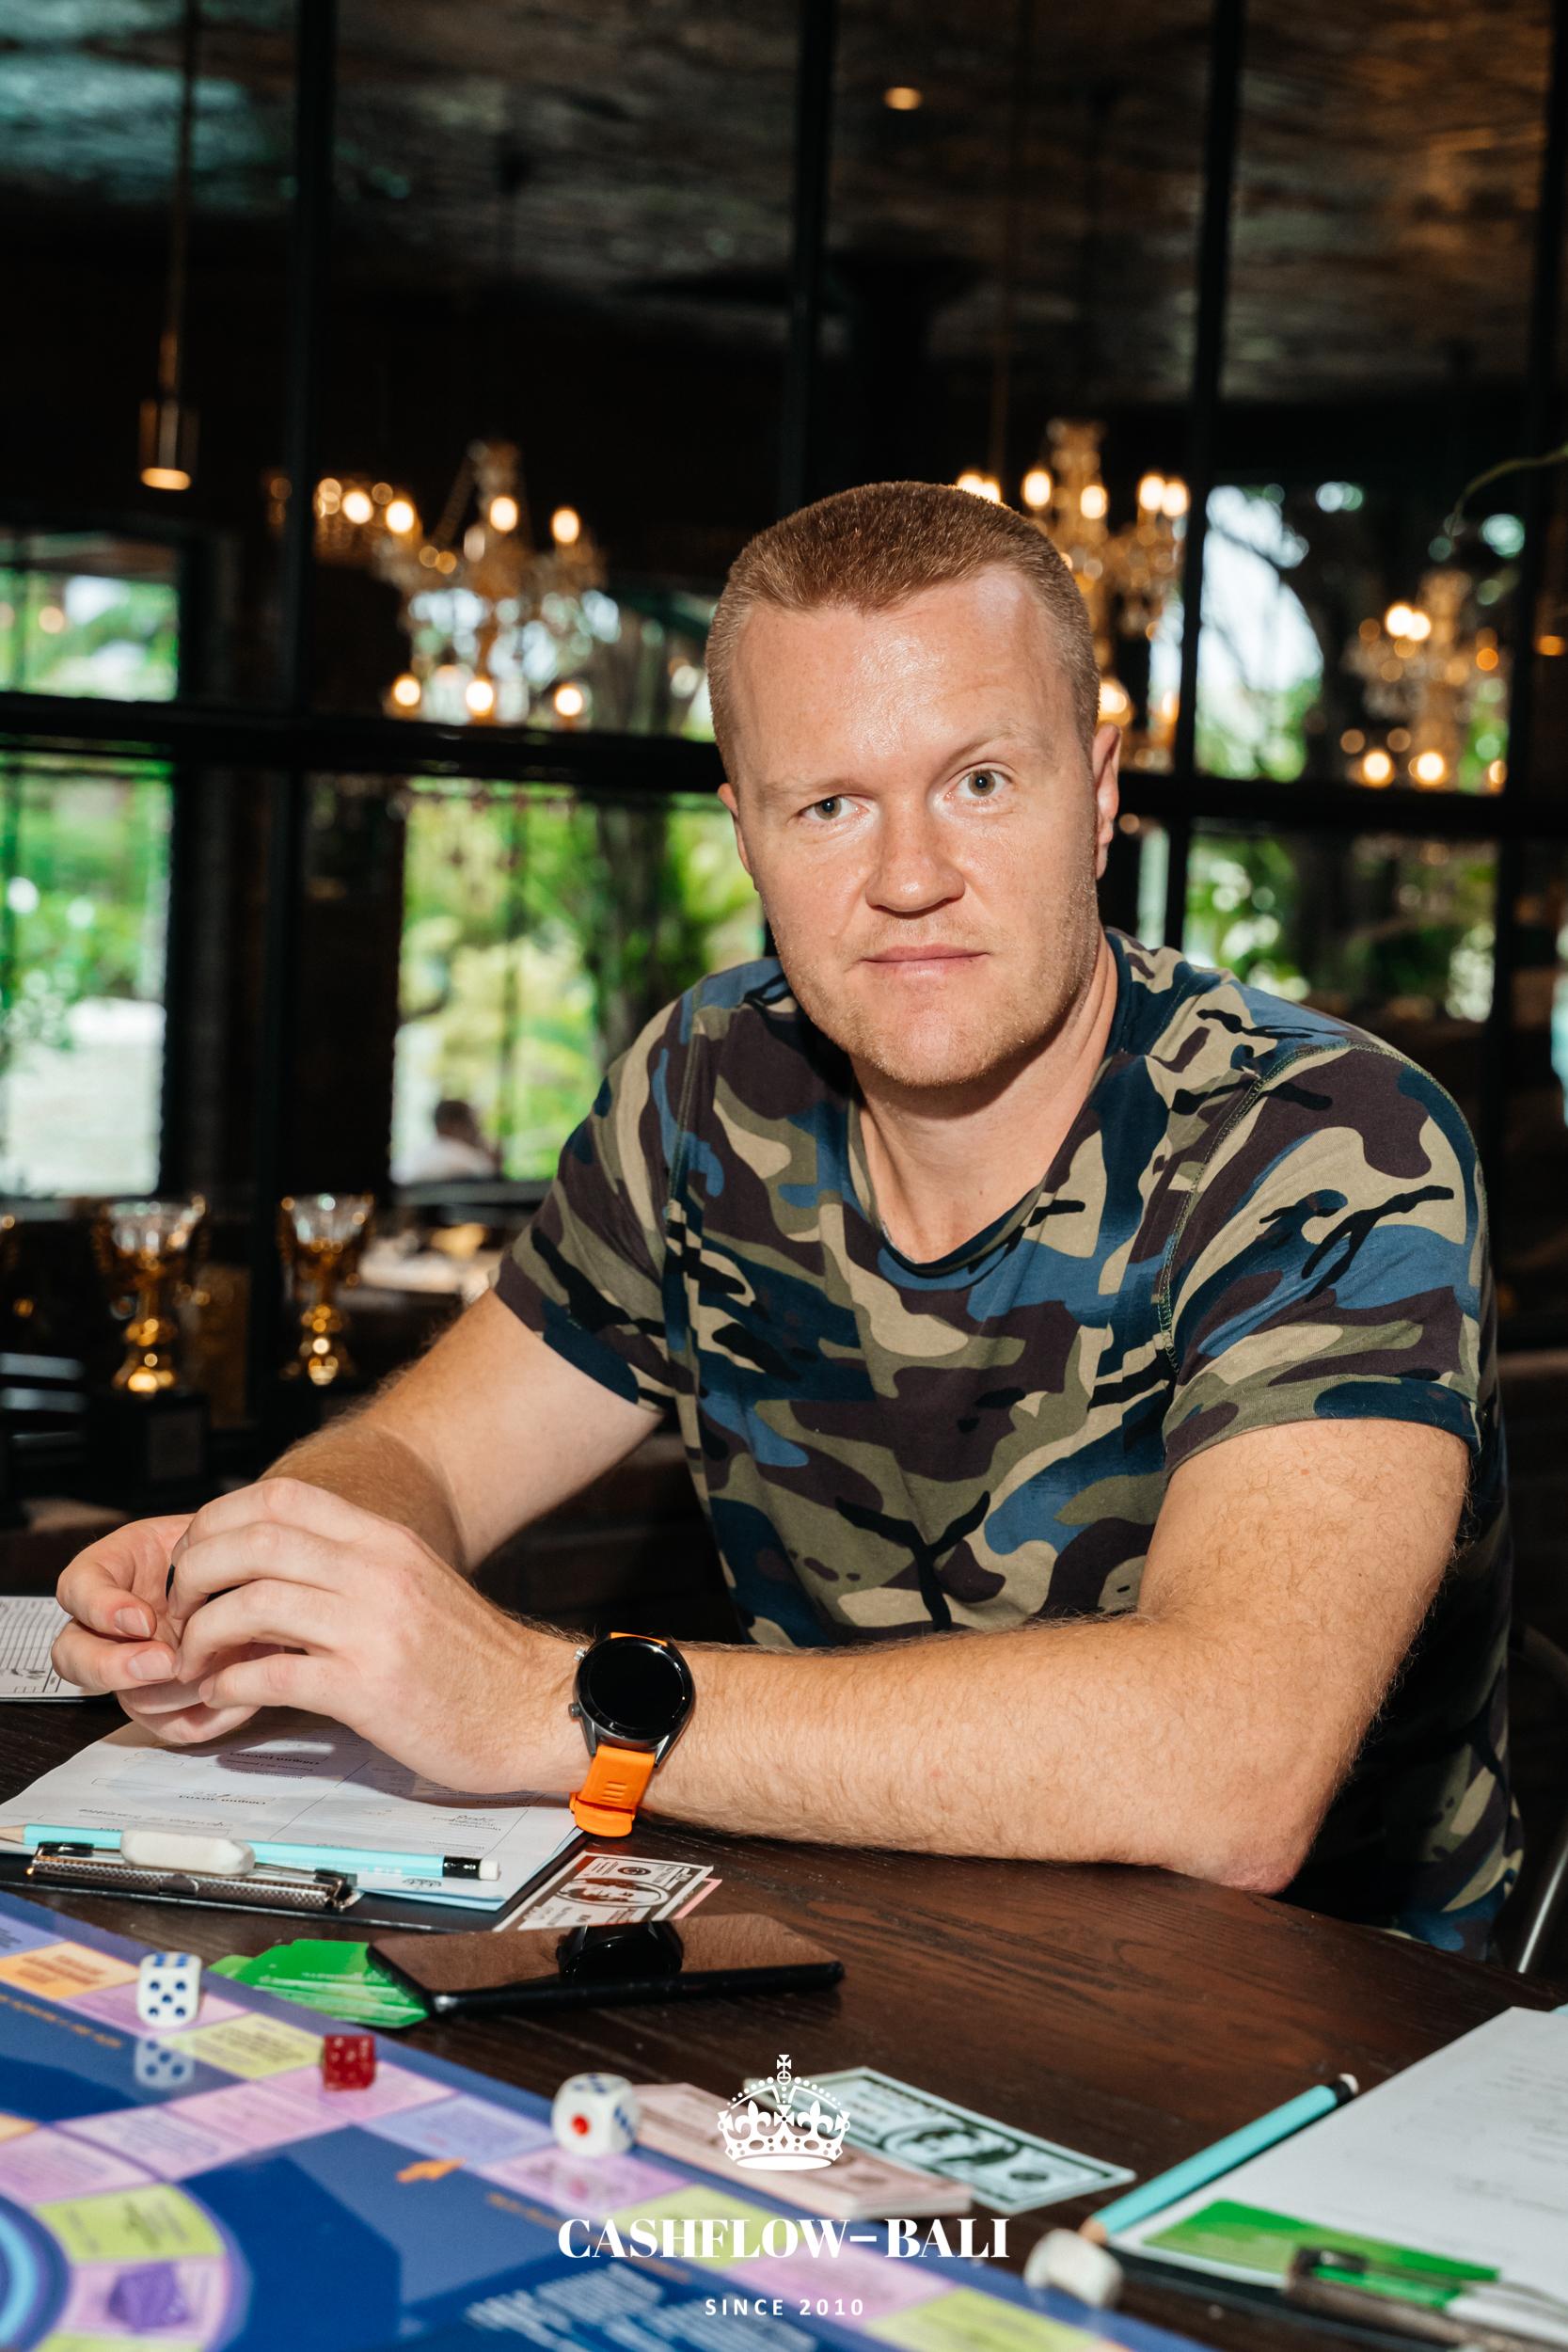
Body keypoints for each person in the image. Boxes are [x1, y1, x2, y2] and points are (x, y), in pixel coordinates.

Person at [53, 483, 1518, 1957]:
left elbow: (1233, 1770)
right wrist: (276, 1577)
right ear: (746, 832)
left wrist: (535, 1703)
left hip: (1303, 2025)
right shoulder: (709, 1081)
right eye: (827, 806)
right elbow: (422, 1453)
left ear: (1096, 789)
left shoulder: (1320, 1137)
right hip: (845, 1950)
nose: (908, 880)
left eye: (979, 782)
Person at [395, 1098, 501, 1184]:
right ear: (453, 1126)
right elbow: (492, 1187)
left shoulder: (409, 1158)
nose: (478, 1132)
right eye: (473, 1125)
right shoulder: (469, 1159)